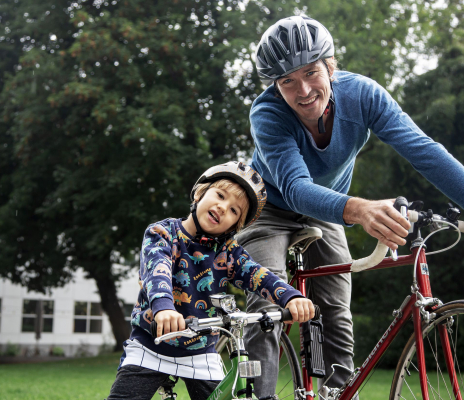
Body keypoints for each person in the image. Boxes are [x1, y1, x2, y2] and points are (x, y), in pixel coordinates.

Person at [236, 15, 464, 398]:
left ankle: (340, 392)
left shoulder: (363, 95)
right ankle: (261, 395)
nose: (303, 90)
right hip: (269, 208)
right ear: (276, 86)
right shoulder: (268, 114)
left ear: (330, 66)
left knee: (335, 304)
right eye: (287, 81)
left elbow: (423, 151)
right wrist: (360, 209)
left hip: (327, 210)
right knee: (268, 298)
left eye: (311, 72)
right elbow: (294, 187)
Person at [107, 161, 315, 400]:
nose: (224, 207)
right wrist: (163, 307)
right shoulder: (163, 234)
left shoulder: (228, 253)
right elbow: (157, 271)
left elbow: (259, 275)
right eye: (220, 195)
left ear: (235, 226)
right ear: (199, 193)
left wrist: (290, 296)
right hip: (150, 345)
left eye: (235, 210)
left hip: (200, 352)